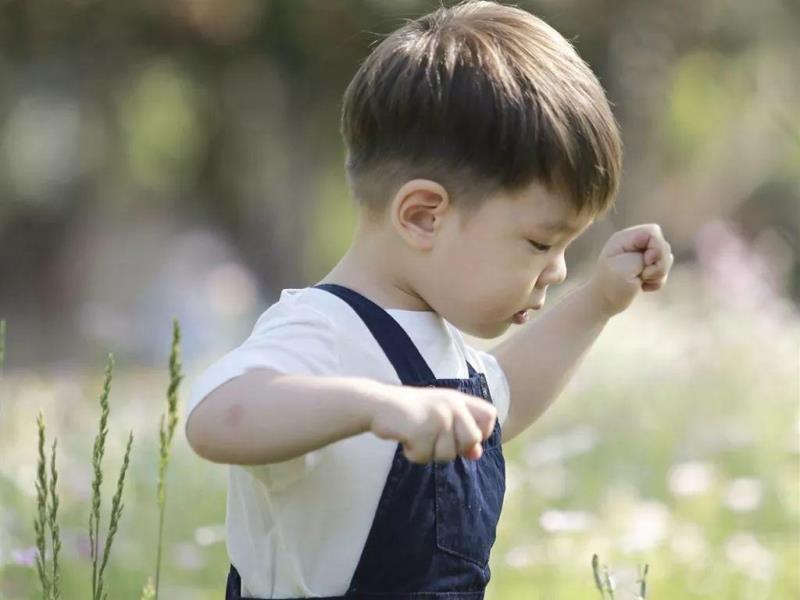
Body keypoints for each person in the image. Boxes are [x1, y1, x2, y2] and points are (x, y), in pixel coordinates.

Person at [185, 1, 674, 598]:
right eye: (540, 243)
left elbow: (504, 400)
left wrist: (598, 300)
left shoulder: (439, 345)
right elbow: (217, 418)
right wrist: (377, 407)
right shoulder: (324, 329)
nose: (557, 269)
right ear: (423, 217)